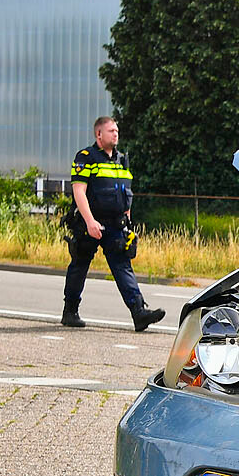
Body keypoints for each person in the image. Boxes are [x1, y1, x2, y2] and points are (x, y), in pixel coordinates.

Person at [61, 116, 164, 331]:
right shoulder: (85, 157)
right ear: (99, 134)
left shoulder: (121, 160)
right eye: (111, 131)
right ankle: (70, 311)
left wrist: (128, 222)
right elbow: (79, 191)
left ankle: (139, 312)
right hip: (90, 223)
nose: (115, 134)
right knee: (80, 265)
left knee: (122, 266)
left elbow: (126, 193)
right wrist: (89, 222)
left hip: (116, 225)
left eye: (116, 130)